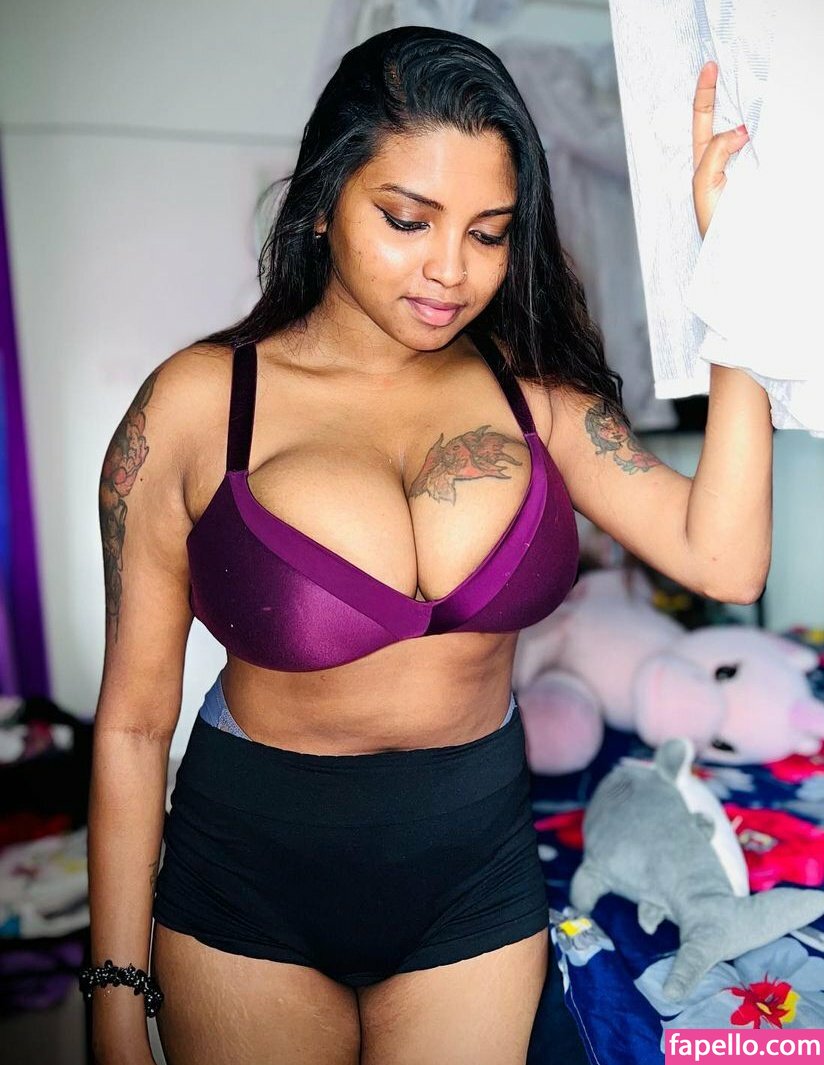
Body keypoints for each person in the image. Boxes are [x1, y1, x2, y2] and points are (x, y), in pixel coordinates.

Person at [85, 26, 771, 1065]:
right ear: (323, 201)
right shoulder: (194, 406)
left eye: (489, 234)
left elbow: (725, 562)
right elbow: (136, 726)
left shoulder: (535, 399)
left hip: (473, 884)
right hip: (246, 888)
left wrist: (736, 287)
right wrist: (111, 999)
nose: (449, 271)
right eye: (407, 220)